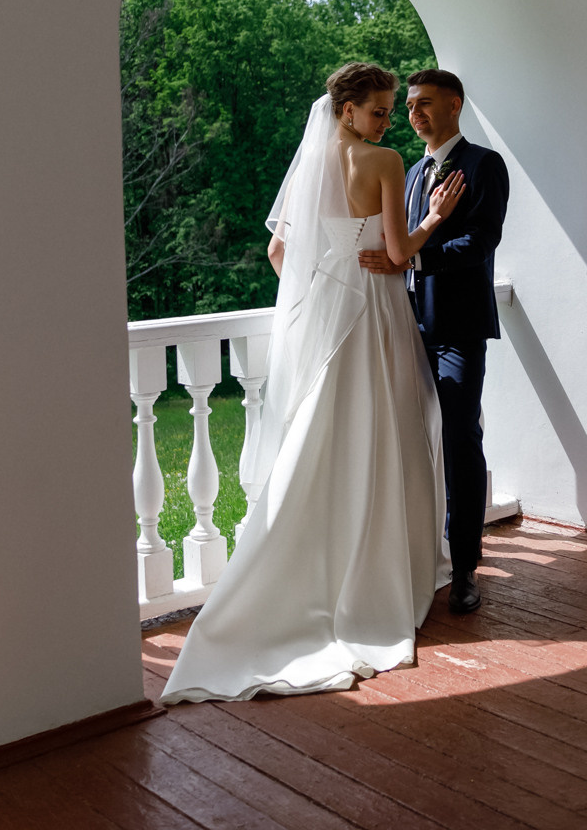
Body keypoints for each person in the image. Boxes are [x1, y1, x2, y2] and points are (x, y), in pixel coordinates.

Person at [159, 63, 465, 704]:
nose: (388, 122)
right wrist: (435, 217)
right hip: (376, 309)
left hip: (330, 312)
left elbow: (280, 254)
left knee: (325, 432)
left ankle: (302, 569)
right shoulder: (384, 162)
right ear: (347, 110)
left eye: (390, 110)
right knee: (384, 428)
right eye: (378, 110)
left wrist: (325, 280)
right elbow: (400, 253)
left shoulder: (309, 168)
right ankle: (379, 571)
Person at [360, 68, 508, 616]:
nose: (413, 113)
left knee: (460, 438)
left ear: (454, 105)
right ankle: (417, 555)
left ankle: (465, 565)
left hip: (458, 330)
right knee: (400, 437)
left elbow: (481, 240)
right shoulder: (411, 170)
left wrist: (414, 259)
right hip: (404, 324)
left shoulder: (484, 164)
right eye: (409, 106)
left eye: (423, 103)